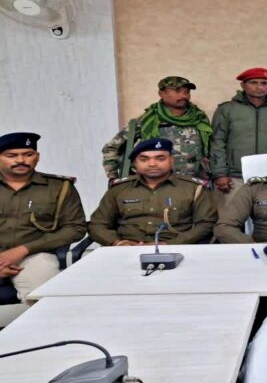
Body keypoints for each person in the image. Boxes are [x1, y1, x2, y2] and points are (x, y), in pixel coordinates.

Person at [0, 132, 86, 302]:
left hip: (34, 255)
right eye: (11, 156)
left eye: (28, 154)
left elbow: (75, 228)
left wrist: (23, 249)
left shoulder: (59, 187)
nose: (20, 160)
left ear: (37, 157)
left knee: (46, 294)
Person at [89, 138, 217, 246]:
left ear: (171, 161)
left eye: (160, 159)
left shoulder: (193, 188)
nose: (152, 164)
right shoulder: (119, 189)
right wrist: (118, 242)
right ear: (135, 164)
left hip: (176, 249)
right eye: (144, 159)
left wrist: (170, 244)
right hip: (125, 250)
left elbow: (206, 224)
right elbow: (97, 224)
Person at [209, 67, 267, 208]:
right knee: (233, 217)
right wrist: (220, 173)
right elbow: (217, 142)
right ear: (243, 85)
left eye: (264, 83)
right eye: (253, 83)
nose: (259, 87)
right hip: (236, 177)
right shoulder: (226, 110)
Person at [101, 76, 212, 180]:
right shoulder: (147, 121)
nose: (184, 96)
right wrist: (113, 176)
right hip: (157, 184)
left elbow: (212, 149)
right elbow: (111, 148)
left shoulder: (199, 119)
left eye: (187, 91)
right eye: (177, 91)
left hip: (194, 183)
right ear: (161, 93)